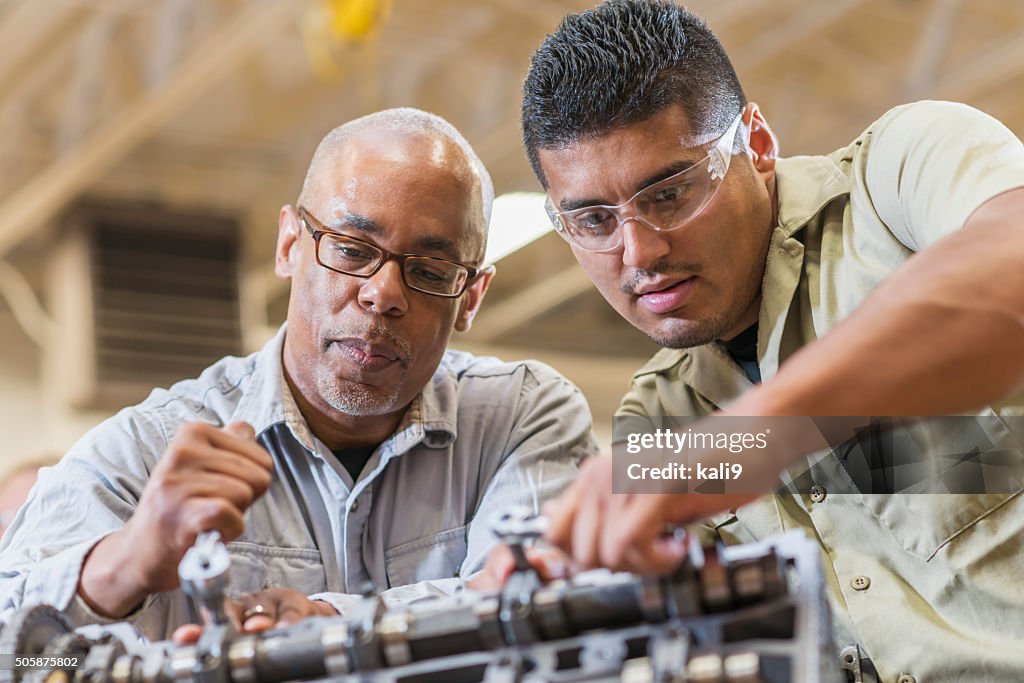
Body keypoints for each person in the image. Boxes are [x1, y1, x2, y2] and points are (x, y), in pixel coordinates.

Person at [516, 1, 1024, 681]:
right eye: (593, 219)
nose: (638, 251)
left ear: (755, 143)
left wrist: (746, 436)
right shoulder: (657, 418)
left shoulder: (900, 177)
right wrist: (554, 575)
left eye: (668, 194)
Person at [0, 108, 595, 641]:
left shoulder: (521, 417)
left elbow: (549, 609)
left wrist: (334, 627)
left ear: (470, 297)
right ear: (289, 245)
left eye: (432, 270)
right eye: (351, 249)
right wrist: (123, 564)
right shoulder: (146, 454)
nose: (382, 294)